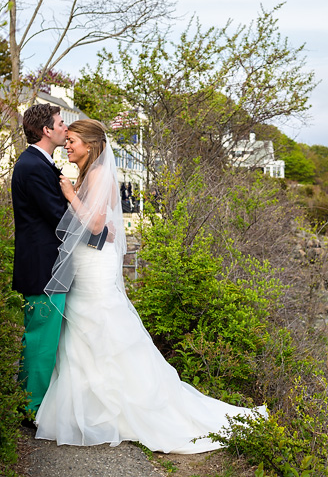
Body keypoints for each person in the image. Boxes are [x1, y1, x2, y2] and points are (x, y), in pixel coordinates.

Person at [35, 119, 266, 453]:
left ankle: (119, 406)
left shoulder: (97, 175)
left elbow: (97, 222)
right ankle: (95, 408)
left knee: (101, 323)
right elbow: (109, 229)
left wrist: (70, 194)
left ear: (89, 144)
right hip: (89, 262)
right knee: (87, 328)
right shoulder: (91, 174)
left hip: (95, 269)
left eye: (71, 141)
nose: (67, 146)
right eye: (66, 140)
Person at [11, 103, 69, 416]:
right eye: (61, 123)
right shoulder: (32, 166)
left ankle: (30, 403)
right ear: (46, 130)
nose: (65, 128)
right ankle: (32, 410)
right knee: (41, 342)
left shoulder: (38, 163)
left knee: (41, 339)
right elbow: (58, 217)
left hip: (47, 267)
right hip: (43, 270)